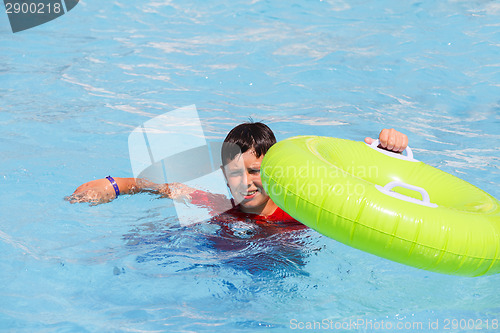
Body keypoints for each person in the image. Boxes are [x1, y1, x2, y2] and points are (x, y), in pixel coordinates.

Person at [67, 123, 408, 224]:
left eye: (255, 170)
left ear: (275, 170)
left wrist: (393, 152)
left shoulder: (302, 213)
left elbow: (364, 191)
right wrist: (113, 185)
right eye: (234, 173)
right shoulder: (217, 204)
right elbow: (156, 187)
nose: (245, 182)